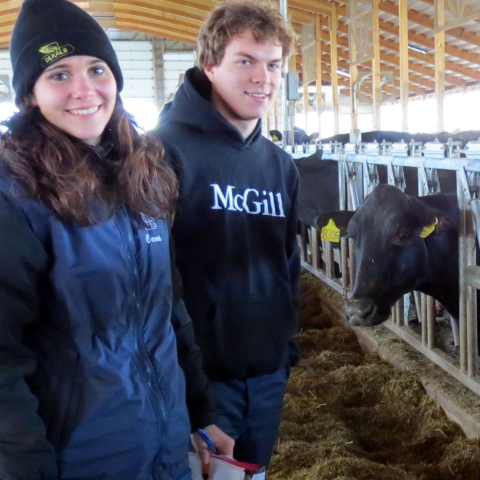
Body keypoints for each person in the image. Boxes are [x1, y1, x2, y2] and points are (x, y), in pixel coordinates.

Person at [0, 1, 233, 479]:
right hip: (80, 458)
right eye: (59, 74)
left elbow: (170, 310)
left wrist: (199, 414)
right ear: (30, 95)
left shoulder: (144, 176)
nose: (84, 90)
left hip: (166, 447)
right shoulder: (15, 197)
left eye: (96, 68)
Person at [154, 0, 300, 474]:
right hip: (198, 382)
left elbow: (288, 263)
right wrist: (187, 391)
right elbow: (154, 282)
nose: (264, 78)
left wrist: (283, 352)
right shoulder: (162, 153)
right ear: (210, 64)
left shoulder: (280, 166)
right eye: (245, 61)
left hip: (266, 376)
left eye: (273, 64)